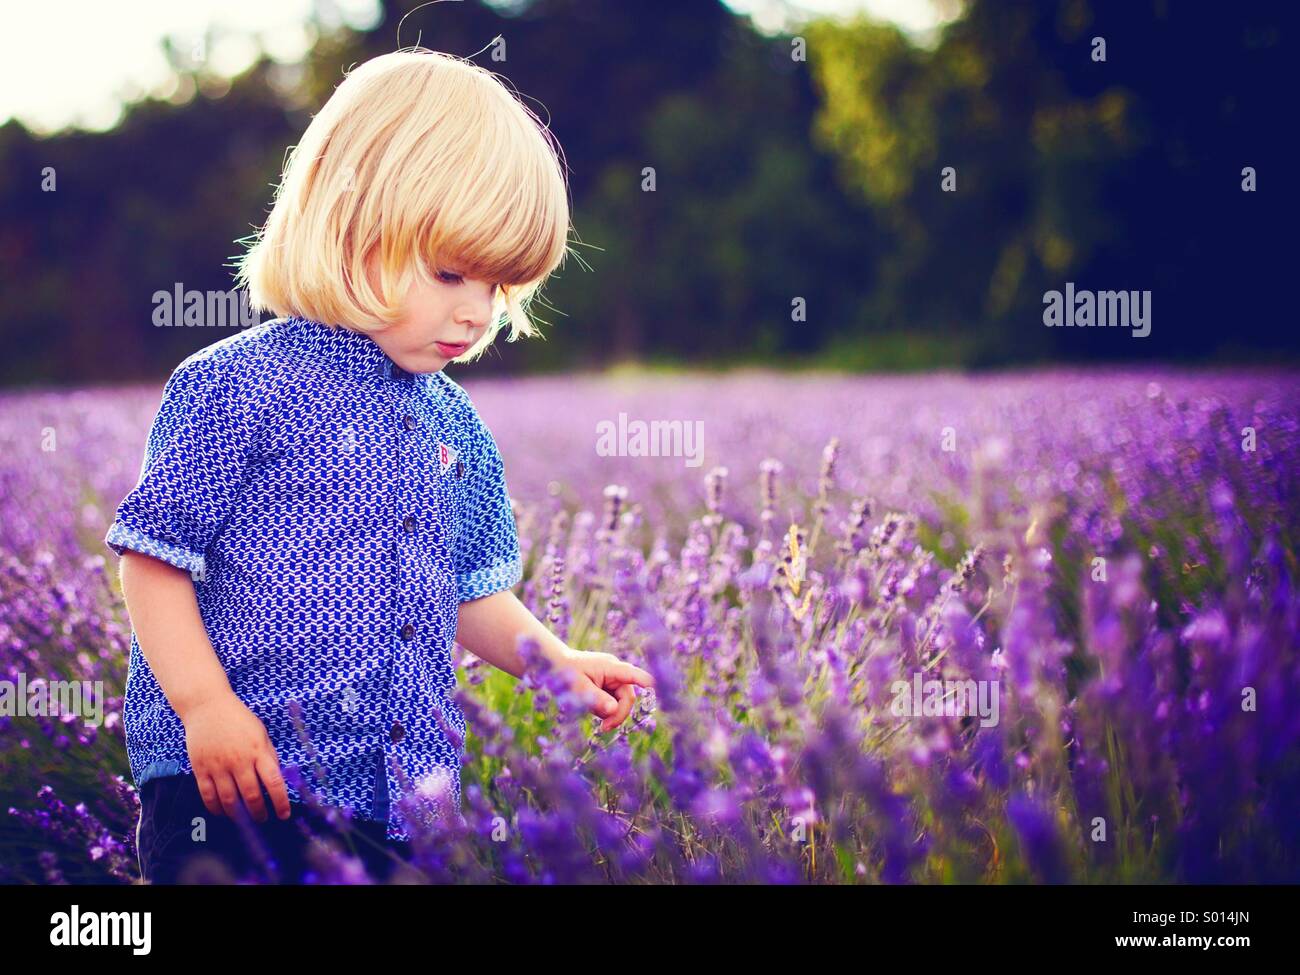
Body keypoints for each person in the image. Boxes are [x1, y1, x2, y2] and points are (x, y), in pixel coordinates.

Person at [107, 49, 654, 884]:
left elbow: (468, 588)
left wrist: (555, 664)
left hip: (396, 802)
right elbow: (153, 561)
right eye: (450, 273)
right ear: (350, 223)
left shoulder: (452, 421)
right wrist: (204, 707)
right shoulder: (236, 385)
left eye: (500, 287)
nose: (474, 312)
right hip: (233, 780)